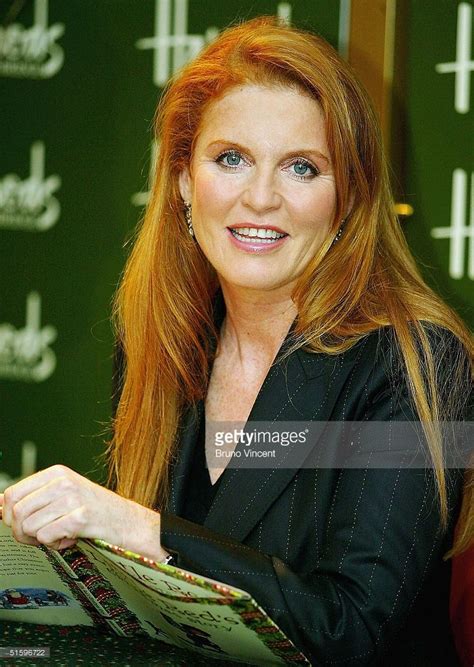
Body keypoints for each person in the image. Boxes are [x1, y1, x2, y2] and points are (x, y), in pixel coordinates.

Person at [1, 16, 472, 666]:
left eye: (302, 168)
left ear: (349, 196)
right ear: (186, 181)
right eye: (231, 158)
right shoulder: (161, 338)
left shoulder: (422, 361)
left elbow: (351, 630)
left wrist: (136, 529)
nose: (260, 197)